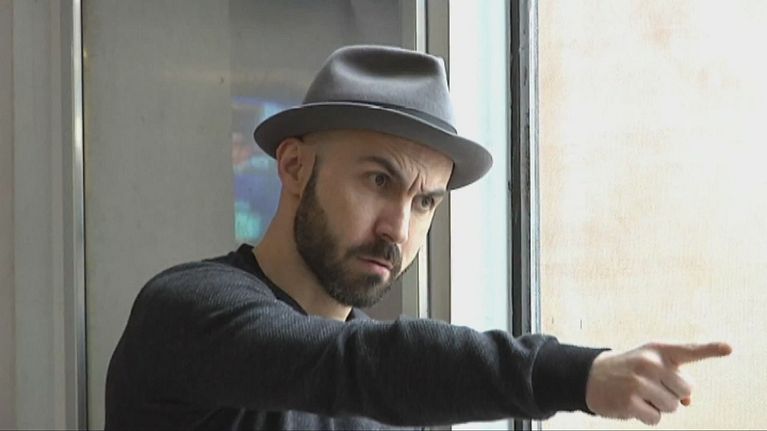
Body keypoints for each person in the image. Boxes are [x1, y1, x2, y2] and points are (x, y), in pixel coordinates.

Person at [104, 45, 731, 430]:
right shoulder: (188, 312)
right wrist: (577, 375)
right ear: (294, 167)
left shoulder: (401, 400)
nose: (398, 230)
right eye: (379, 180)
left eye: (425, 201)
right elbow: (352, 366)